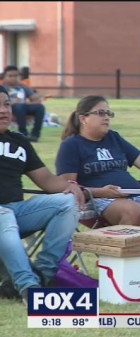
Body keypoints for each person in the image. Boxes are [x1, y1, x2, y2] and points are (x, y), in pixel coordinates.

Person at [55, 95, 140, 228]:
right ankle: (121, 252)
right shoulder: (71, 145)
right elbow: (67, 187)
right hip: (95, 201)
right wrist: (100, 192)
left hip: (135, 197)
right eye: (100, 113)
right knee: (132, 211)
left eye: (108, 114)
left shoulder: (113, 138)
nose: (106, 118)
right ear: (83, 119)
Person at [0, 86, 85, 304]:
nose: (4, 111)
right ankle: (29, 286)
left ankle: (44, 274)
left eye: (7, 105)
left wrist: (71, 187)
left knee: (67, 203)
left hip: (15, 211)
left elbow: (46, 180)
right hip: (4, 217)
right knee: (4, 216)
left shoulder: (18, 142)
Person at [1, 65, 45, 142]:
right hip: (9, 108)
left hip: (24, 106)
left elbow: (35, 98)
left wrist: (31, 101)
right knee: (20, 107)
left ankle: (35, 134)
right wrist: (12, 102)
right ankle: (23, 133)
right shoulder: (2, 88)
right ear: (4, 77)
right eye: (10, 76)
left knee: (40, 107)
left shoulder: (23, 87)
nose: (14, 78)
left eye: (16, 76)